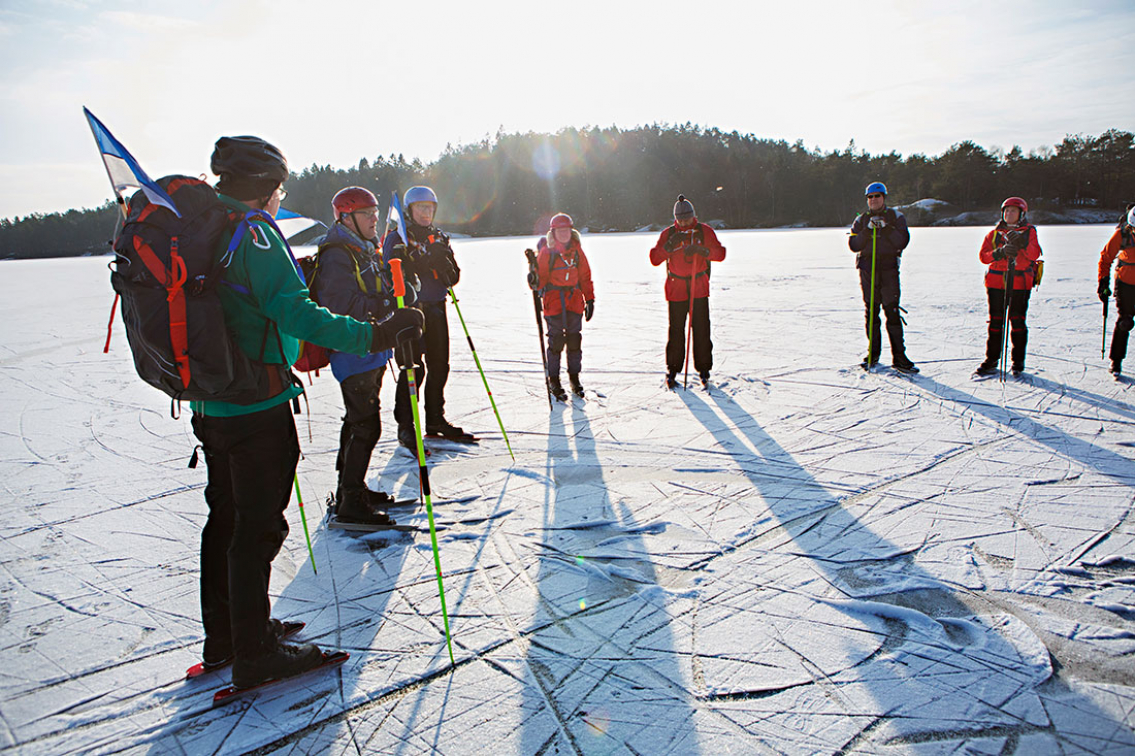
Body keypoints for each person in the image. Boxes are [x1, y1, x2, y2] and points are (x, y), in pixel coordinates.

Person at [191, 137, 423, 689]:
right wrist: (375, 332)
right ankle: (254, 651)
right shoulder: (253, 233)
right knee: (256, 526)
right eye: (280, 188)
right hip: (256, 399)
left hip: (210, 401)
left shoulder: (207, 227)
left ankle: (228, 634)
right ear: (265, 187)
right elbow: (298, 313)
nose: (280, 198)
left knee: (224, 520)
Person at [309, 187, 411, 525]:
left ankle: (351, 490)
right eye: (367, 213)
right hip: (353, 349)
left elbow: (376, 290)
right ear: (345, 216)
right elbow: (339, 305)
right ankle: (350, 502)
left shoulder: (364, 249)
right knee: (365, 425)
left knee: (359, 422)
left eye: (375, 212)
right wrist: (385, 307)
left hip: (371, 349)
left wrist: (400, 292)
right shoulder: (338, 254)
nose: (374, 219)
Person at [382, 186, 468, 445]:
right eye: (420, 208)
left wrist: (444, 265)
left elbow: (453, 277)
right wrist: (413, 264)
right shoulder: (398, 237)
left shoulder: (439, 237)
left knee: (440, 364)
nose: (426, 213)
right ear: (409, 210)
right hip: (410, 310)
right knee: (412, 367)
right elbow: (390, 275)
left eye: (429, 208)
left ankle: (435, 418)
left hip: (436, 306)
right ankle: (405, 425)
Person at [649, 195, 726, 388]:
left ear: (693, 216)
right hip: (676, 289)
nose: (684, 222)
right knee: (676, 330)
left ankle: (704, 369)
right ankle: (673, 368)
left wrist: (703, 251)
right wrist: (668, 246)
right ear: (675, 218)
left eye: (687, 218)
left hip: (698, 286)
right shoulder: (669, 233)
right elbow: (655, 258)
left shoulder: (703, 231)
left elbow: (721, 253)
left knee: (701, 329)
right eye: (680, 219)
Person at [848, 182, 918, 373]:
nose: (873, 200)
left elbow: (902, 241)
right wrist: (867, 231)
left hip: (888, 269)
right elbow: (854, 244)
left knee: (892, 311)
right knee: (871, 312)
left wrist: (886, 229)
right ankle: (873, 354)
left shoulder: (896, 217)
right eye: (870, 197)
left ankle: (899, 357)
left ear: (884, 197)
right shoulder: (861, 220)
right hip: (868, 270)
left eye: (877, 196)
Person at [529, 212, 595, 399]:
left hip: (574, 301)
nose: (564, 234)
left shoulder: (577, 252)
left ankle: (574, 378)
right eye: (560, 231)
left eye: (567, 230)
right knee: (556, 342)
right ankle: (554, 380)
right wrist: (533, 277)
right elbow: (540, 281)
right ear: (554, 233)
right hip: (554, 302)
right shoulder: (547, 253)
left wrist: (589, 299)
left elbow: (585, 277)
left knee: (574, 341)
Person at [974, 197, 1042, 376]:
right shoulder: (994, 234)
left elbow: (1034, 254)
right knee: (996, 322)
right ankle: (991, 359)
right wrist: (1000, 252)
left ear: (1021, 214)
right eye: (1006, 211)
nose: (1008, 214)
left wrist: (1021, 244)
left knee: (1018, 321)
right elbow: (983, 256)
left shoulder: (1029, 232)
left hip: (1020, 283)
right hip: (996, 283)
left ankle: (1018, 361)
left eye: (1013, 211)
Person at [1097, 205, 1135, 376]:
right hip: (1126, 283)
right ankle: (1116, 361)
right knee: (1125, 322)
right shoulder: (1122, 235)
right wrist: (1103, 282)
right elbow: (1105, 259)